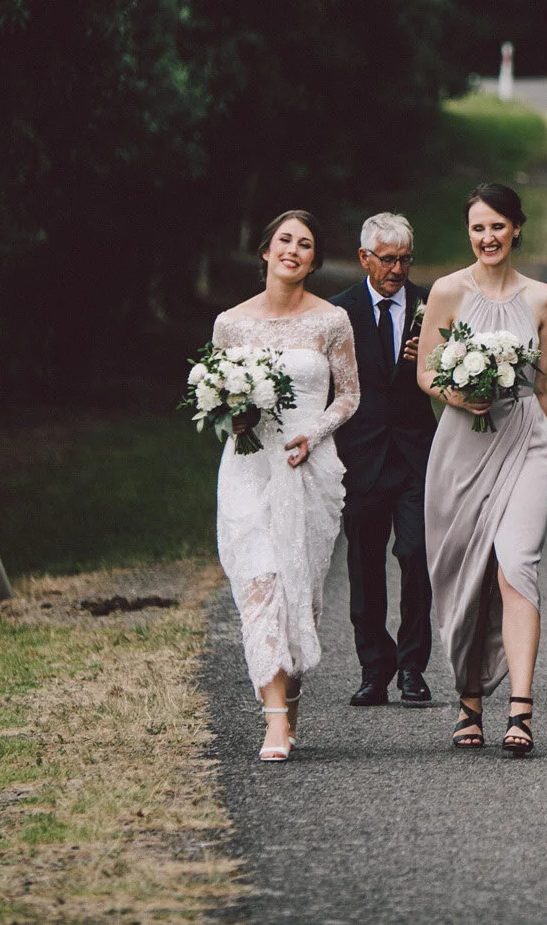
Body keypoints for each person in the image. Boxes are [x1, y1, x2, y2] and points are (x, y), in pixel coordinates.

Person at [211, 210, 361, 761]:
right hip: (248, 466)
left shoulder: (330, 322)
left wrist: (313, 433)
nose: (293, 250)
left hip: (308, 467)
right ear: (266, 250)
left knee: (302, 592)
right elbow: (220, 399)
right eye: (284, 240)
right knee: (261, 583)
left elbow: (348, 395)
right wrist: (236, 420)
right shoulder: (230, 323)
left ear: (314, 261)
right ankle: (274, 722)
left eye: (305, 245)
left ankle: (288, 704)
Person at [418, 184, 547, 757]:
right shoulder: (447, 291)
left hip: (526, 439)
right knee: (466, 574)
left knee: (516, 567)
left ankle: (521, 711)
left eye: (498, 226)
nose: (488, 237)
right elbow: (428, 373)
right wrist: (457, 395)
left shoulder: (543, 297)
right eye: (478, 228)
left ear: (517, 228)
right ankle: (469, 700)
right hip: (462, 447)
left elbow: (546, 382)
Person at [331, 212, 435, 708]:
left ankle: (413, 666)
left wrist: (431, 361)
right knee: (364, 564)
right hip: (361, 457)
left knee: (416, 556)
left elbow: (451, 379)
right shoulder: (338, 313)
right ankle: (374, 668)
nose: (398, 269)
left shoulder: (431, 305)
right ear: (364, 258)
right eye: (388, 259)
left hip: (417, 455)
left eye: (405, 259)